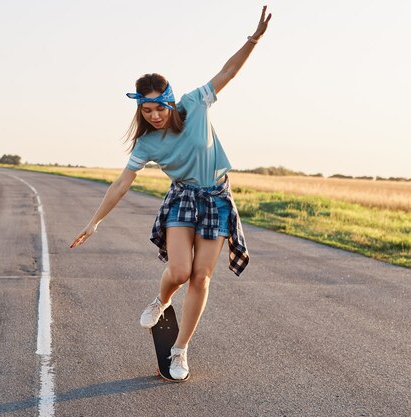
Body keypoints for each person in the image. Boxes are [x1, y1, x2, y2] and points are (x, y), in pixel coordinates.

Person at [71, 5, 272, 380]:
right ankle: (161, 301)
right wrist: (94, 222)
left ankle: (179, 350)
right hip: (182, 198)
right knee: (179, 272)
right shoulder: (146, 145)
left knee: (201, 278)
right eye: (146, 111)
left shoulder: (195, 104)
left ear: (170, 100)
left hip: (215, 199)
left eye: (158, 108)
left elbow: (227, 71)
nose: (154, 116)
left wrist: (253, 39)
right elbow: (121, 184)